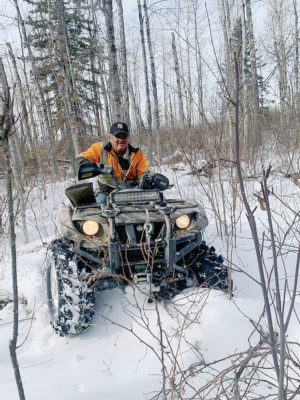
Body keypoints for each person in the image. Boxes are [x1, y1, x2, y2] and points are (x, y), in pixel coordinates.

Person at [76, 122, 150, 200]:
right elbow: (81, 158)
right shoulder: (100, 149)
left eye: (124, 136)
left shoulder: (137, 153)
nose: (121, 139)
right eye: (117, 136)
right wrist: (89, 165)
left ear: (128, 138)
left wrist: (147, 180)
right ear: (110, 138)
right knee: (100, 201)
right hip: (107, 194)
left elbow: (143, 173)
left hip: (133, 195)